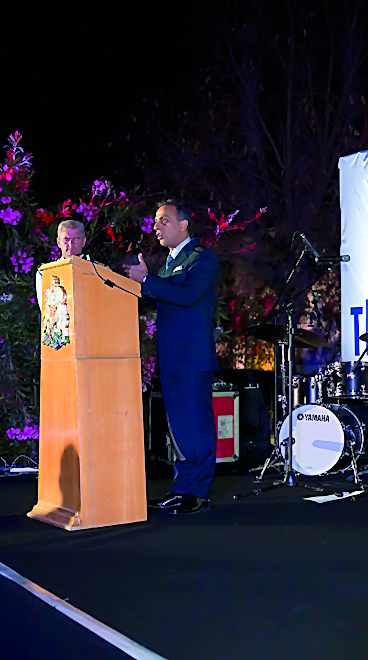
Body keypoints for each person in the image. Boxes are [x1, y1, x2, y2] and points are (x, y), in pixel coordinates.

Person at [125, 199, 219, 515]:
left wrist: (147, 280)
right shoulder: (167, 263)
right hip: (171, 358)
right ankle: (181, 488)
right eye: (156, 221)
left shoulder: (203, 259)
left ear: (184, 225)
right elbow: (162, 299)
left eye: (164, 220)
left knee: (197, 425)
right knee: (178, 428)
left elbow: (187, 296)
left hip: (192, 358)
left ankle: (199, 491)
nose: (157, 227)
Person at [36, 219, 86, 310]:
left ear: (83, 242)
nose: (70, 244)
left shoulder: (99, 271)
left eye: (76, 239)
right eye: (66, 239)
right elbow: (45, 310)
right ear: (58, 242)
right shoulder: (45, 273)